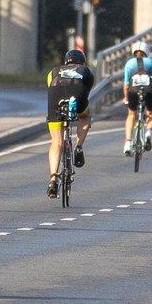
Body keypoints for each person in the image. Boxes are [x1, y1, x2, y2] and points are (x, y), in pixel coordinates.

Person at [45, 47, 95, 199]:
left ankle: (53, 178)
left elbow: (49, 86)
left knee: (56, 142)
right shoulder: (85, 71)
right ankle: (79, 146)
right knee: (85, 116)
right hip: (77, 97)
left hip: (56, 100)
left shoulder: (53, 71)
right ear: (82, 62)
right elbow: (87, 90)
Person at [121, 41, 152, 154]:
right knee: (151, 113)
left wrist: (125, 97)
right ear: (146, 51)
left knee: (131, 114)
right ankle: (148, 133)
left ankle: (128, 143)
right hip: (148, 90)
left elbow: (126, 84)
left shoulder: (129, 63)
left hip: (133, 91)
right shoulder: (150, 63)